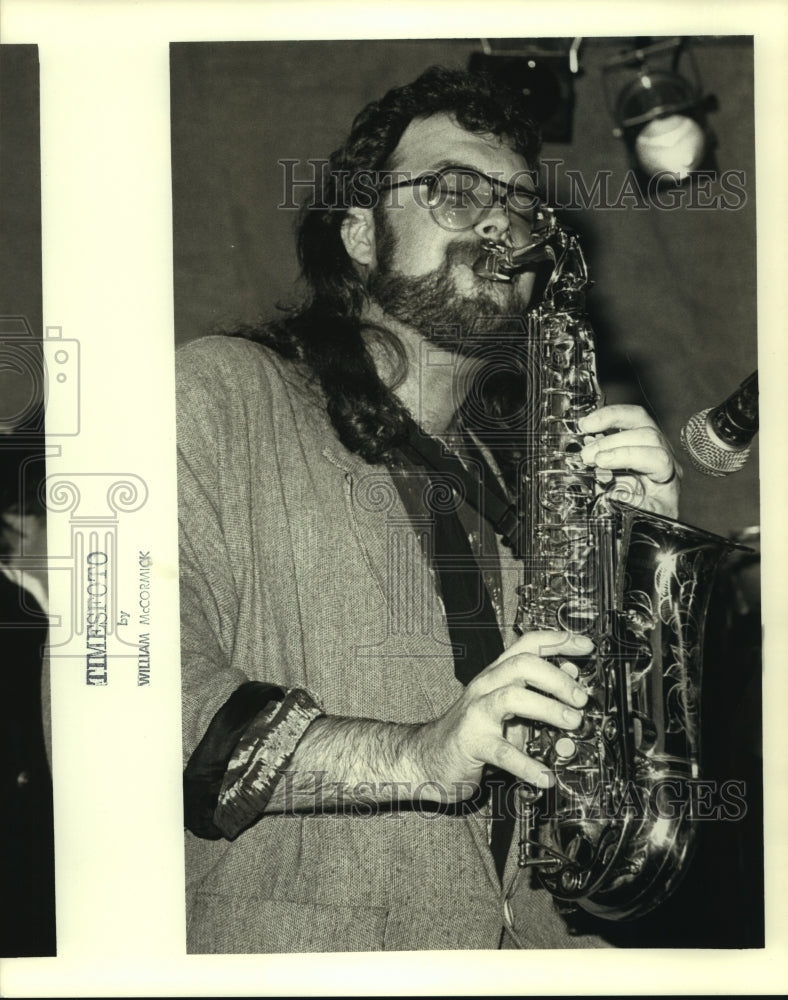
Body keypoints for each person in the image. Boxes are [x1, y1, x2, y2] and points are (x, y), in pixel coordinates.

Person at [177, 65, 680, 953]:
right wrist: (418, 754)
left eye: (523, 205)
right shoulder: (220, 395)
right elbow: (128, 708)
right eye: (455, 189)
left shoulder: (534, 485)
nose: (499, 220)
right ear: (361, 234)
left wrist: (639, 567)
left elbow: (598, 776)